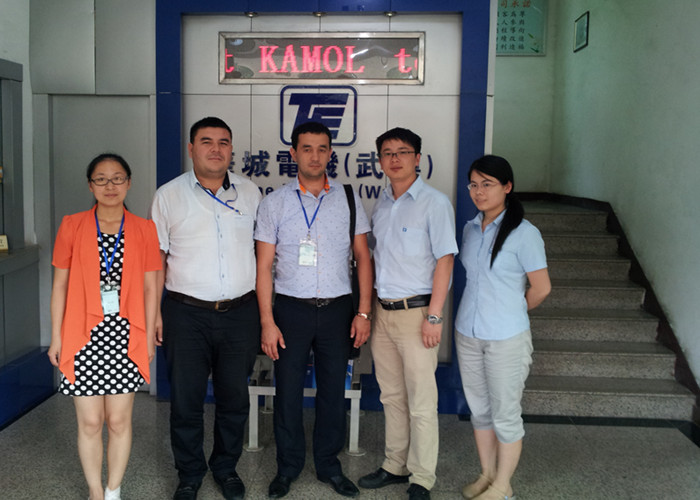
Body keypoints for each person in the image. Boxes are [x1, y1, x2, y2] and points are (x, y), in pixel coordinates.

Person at [255, 121, 373, 499]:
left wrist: (364, 312)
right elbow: (263, 267)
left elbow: (363, 257)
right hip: (291, 310)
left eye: (322, 148)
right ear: (293, 153)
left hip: (338, 310)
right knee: (287, 392)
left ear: (330, 153)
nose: (315, 156)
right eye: (306, 148)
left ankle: (328, 465)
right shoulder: (274, 203)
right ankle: (287, 467)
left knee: (332, 392)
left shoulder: (348, 199)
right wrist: (267, 321)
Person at [150, 117, 262, 500]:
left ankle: (226, 468)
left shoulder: (250, 193)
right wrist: (155, 313)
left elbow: (263, 255)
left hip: (240, 313)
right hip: (186, 314)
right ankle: (190, 474)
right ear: (191, 148)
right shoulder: (168, 196)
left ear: (231, 149)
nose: (216, 149)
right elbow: (157, 261)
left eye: (223, 142)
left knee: (234, 398)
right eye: (207, 141)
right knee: (186, 401)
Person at [48, 153, 161, 500]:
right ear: (90, 186)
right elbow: (60, 285)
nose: (110, 186)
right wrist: (56, 337)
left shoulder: (144, 229)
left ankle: (114, 490)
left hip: (126, 337)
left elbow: (150, 287)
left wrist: (149, 336)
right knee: (90, 422)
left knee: (119, 421)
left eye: (117, 178)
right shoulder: (72, 226)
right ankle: (96, 491)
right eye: (101, 179)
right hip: (81, 337)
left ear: (129, 182)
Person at [357, 128, 458, 500]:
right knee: (391, 396)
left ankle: (422, 477)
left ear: (418, 158)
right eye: (387, 153)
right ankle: (394, 465)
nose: (394, 158)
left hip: (418, 315)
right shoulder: (382, 203)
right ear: (380, 161)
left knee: (421, 402)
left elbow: (445, 261)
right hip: (383, 314)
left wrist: (435, 316)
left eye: (402, 152)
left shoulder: (435, 203)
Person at [454, 155, 551, 500]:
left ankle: (503, 485)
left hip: (506, 338)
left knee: (505, 415)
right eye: (474, 184)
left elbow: (541, 288)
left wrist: (511, 310)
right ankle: (487, 474)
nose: (478, 192)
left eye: (488, 184)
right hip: (468, 333)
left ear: (507, 187)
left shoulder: (525, 234)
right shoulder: (470, 229)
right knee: (480, 411)